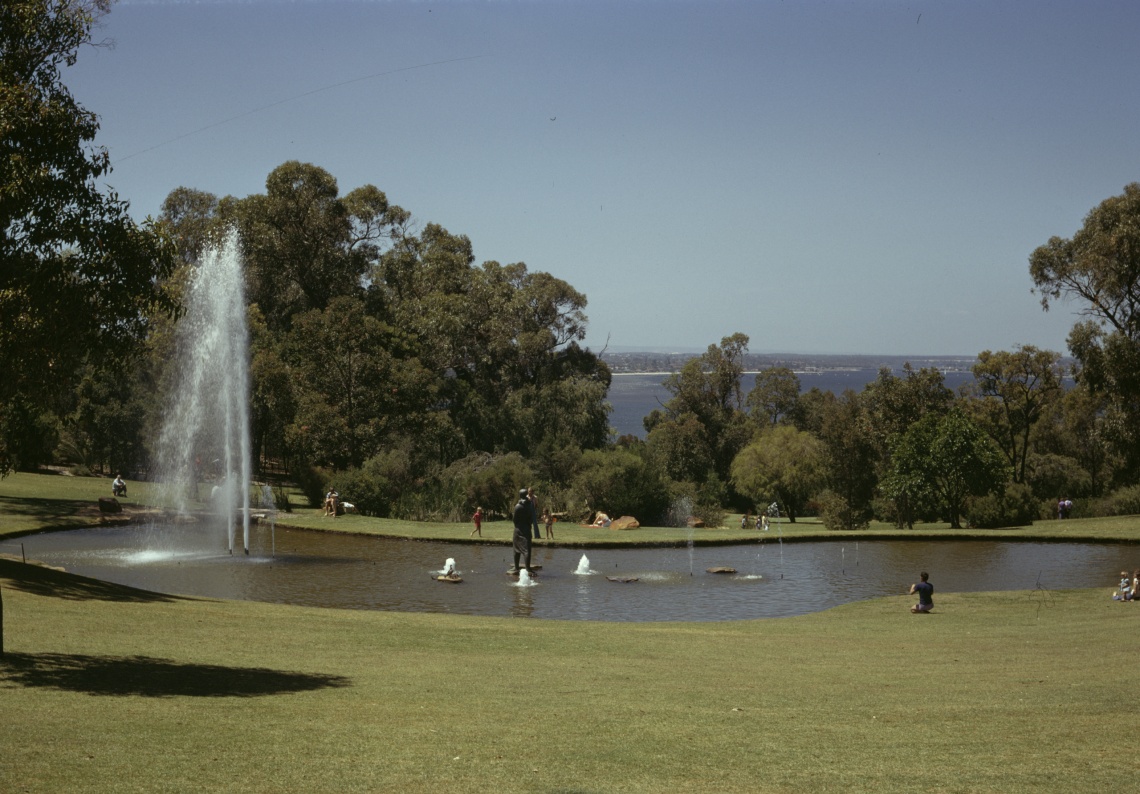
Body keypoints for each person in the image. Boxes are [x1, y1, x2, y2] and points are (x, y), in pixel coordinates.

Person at [509, 489, 533, 574]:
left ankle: (516, 567)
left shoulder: (518, 506)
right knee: (527, 549)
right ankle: (528, 568)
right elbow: (531, 517)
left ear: (520, 495)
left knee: (516, 549)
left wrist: (518, 525)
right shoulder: (530, 505)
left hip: (518, 529)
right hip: (527, 528)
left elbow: (514, 519)